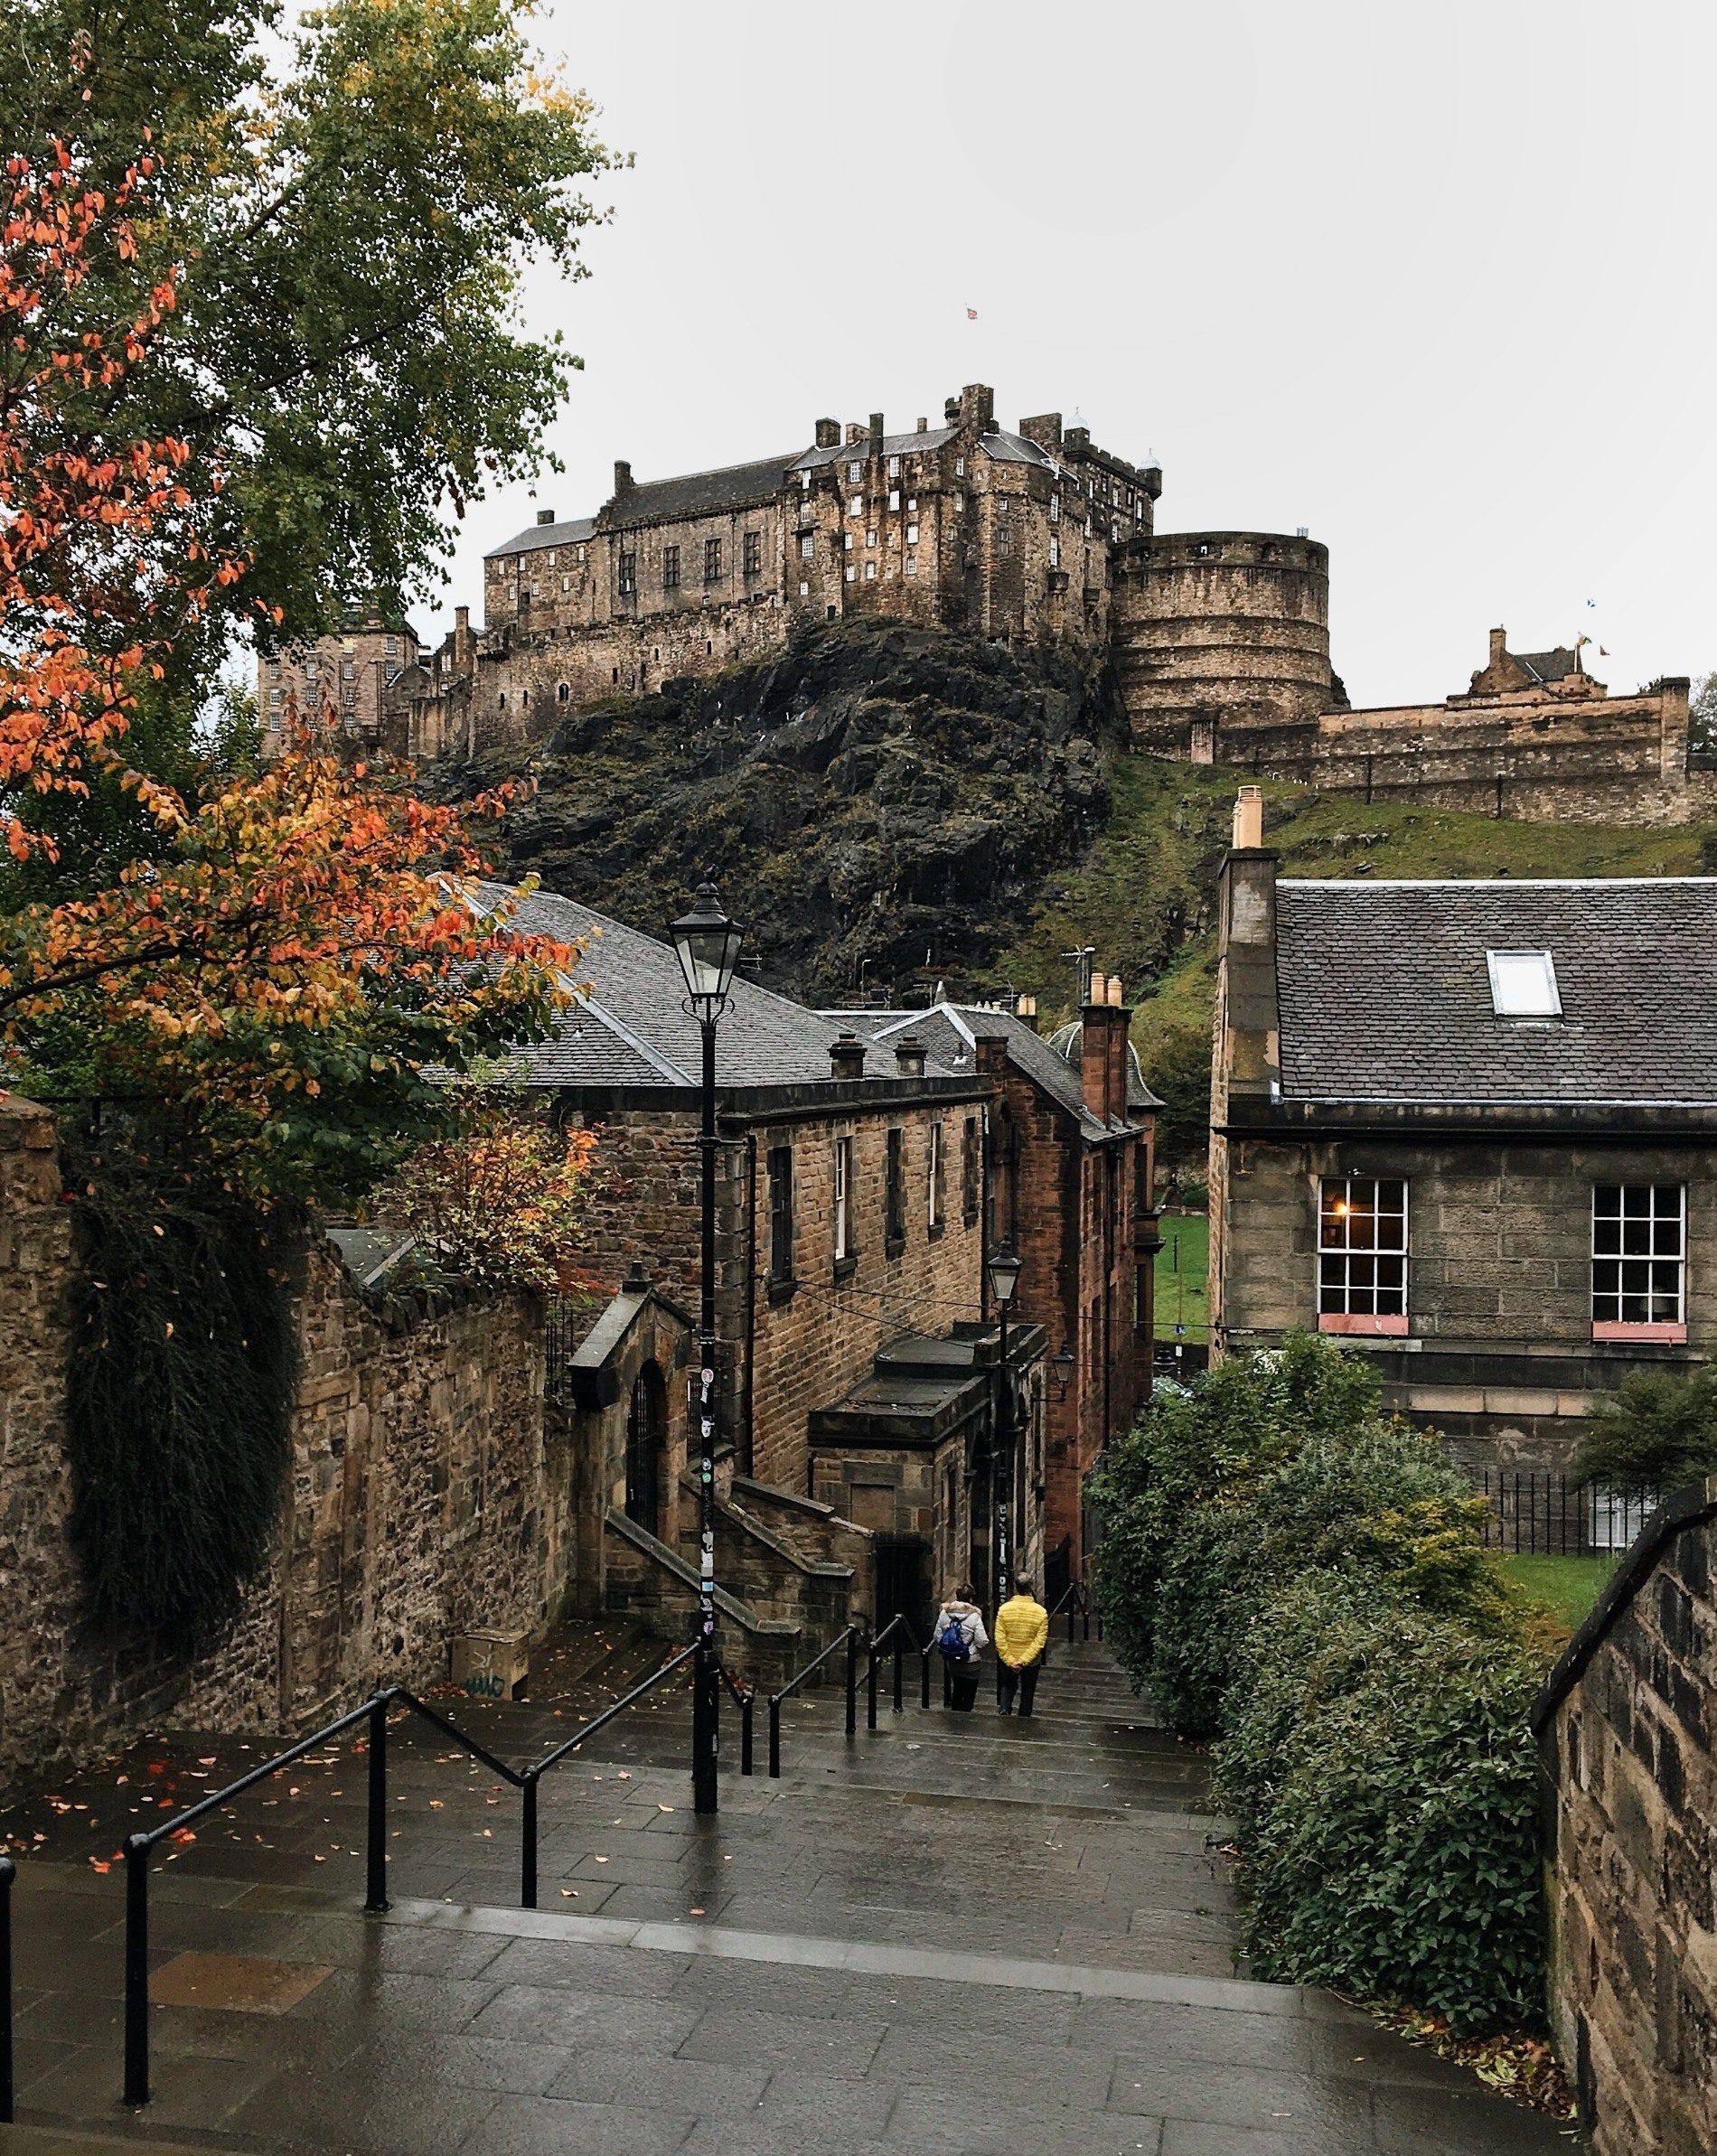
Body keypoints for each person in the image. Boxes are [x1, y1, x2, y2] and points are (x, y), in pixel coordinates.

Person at [993, 1576, 1049, 1717]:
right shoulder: (1041, 1612)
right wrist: (1024, 1660)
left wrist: (1009, 1659)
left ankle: (1004, 1710)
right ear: (1031, 1587)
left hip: (1008, 1658)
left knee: (1007, 1685)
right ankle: (1024, 1718)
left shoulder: (1004, 1610)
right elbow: (1039, 1641)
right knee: (1028, 1691)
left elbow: (1000, 1638)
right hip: (1031, 1661)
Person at [931, 1582, 988, 1712]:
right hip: (971, 1660)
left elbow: (937, 1635)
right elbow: (982, 1641)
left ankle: (955, 1716)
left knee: (957, 1687)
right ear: (971, 1598)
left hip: (952, 1660)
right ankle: (965, 1717)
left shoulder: (945, 1614)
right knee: (969, 1692)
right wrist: (973, 1647)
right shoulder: (974, 1616)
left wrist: (950, 1647)